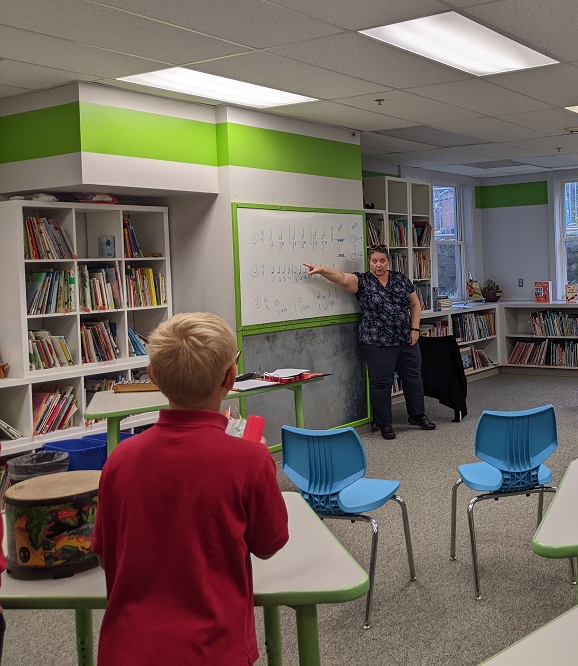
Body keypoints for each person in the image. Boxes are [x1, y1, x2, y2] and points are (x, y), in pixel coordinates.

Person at [92, 312, 289, 665]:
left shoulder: (119, 460)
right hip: (214, 649)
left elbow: (106, 554)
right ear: (231, 377)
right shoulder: (251, 459)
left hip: (127, 648)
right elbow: (269, 545)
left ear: (151, 376)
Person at [306, 246, 436, 440]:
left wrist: (415, 329)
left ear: (388, 261)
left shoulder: (401, 279)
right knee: (381, 383)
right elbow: (341, 277)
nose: (378, 265)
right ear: (369, 262)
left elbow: (415, 304)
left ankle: (417, 415)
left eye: (382, 261)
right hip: (377, 343)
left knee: (413, 378)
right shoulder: (363, 281)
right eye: (374, 261)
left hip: (406, 339)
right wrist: (322, 270)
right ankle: (385, 424)